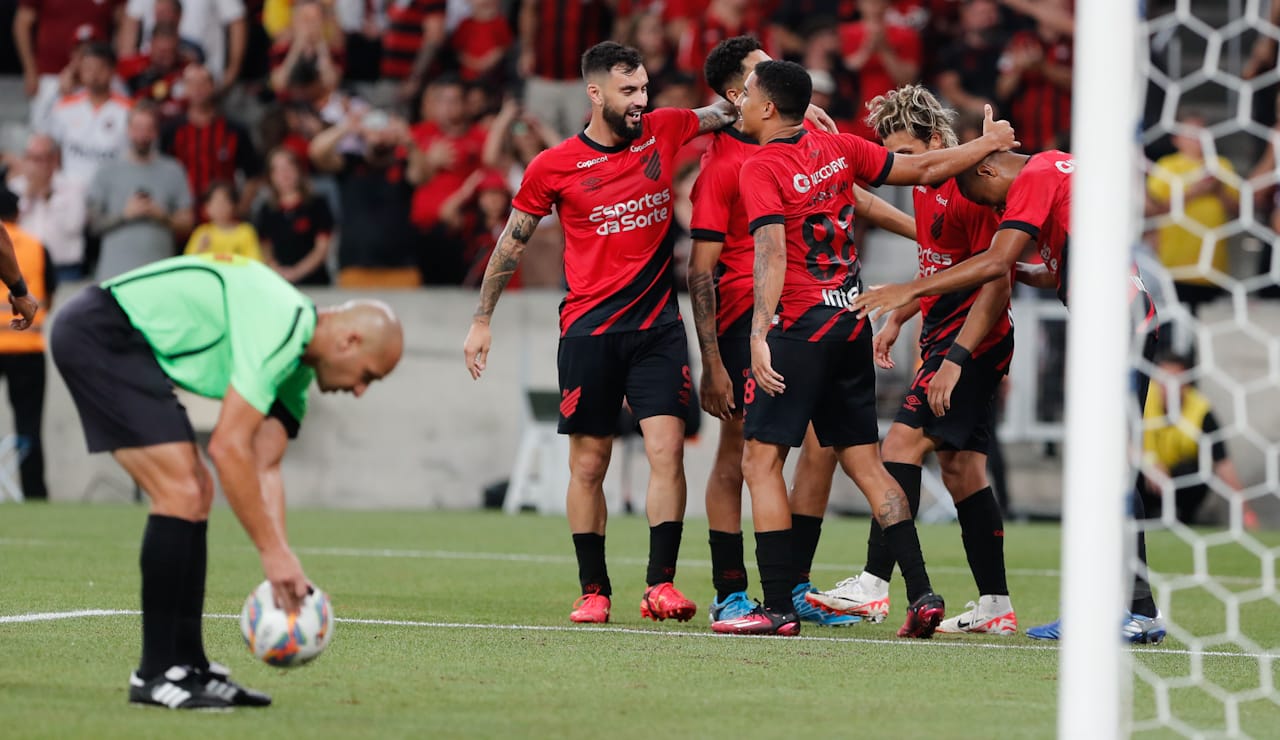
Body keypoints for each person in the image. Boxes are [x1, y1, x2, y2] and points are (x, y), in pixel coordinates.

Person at [462, 42, 822, 625]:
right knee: (589, 463)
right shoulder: (553, 166)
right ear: (595, 93)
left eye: (644, 90)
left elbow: (738, 110)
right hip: (589, 330)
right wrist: (482, 320)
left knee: (667, 450)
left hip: (658, 325)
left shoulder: (665, 129)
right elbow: (513, 240)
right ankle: (593, 589)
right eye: (628, 92)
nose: (640, 102)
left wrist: (802, 112)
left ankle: (661, 584)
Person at [712, 59, 1017, 637]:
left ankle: (777, 606)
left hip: (800, 327)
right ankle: (922, 592)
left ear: (770, 107)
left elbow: (772, 253)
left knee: (761, 460)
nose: (740, 102)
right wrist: (989, 143)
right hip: (850, 321)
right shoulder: (842, 149)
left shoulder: (761, 165)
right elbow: (921, 169)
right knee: (871, 464)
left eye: (746, 94)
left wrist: (757, 333)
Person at [50, 253, 403, 709]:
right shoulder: (281, 324)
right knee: (181, 489)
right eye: (367, 377)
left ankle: (190, 667)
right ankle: (155, 674)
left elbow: (264, 465)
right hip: (100, 332)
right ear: (349, 341)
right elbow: (227, 447)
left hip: (125, 343)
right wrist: (271, 553)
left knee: (196, 489)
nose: (359, 390)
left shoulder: (296, 363)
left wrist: (284, 566)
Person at [851, 147, 1168, 645]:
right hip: (1131, 316)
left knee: (1105, 474)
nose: (998, 210)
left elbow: (997, 259)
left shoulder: (1034, 176)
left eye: (991, 198)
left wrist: (909, 290)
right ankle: (1136, 609)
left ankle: (1121, 611)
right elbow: (1045, 268)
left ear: (989, 169)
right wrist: (1015, 272)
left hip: (1115, 326)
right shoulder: (1060, 166)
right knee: (1109, 471)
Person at [691, 36, 914, 628]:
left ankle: (790, 591)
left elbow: (857, 196)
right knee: (742, 454)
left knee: (819, 453)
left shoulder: (810, 134)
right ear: (742, 93)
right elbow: (703, 269)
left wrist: (923, 237)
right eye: (761, 67)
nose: (774, 70)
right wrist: (713, 359)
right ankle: (733, 588)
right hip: (754, 316)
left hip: (814, 315)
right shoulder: (722, 166)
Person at [806, 85, 1017, 636]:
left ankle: (875, 583)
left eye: (908, 149)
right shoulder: (926, 186)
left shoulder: (971, 186)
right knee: (962, 470)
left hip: (974, 342)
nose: (904, 162)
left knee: (899, 444)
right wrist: (904, 313)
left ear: (936, 139)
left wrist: (956, 360)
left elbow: (996, 278)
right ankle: (995, 604)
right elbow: (942, 265)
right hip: (946, 336)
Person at [1141, 350, 1255, 528]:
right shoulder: (1144, 401)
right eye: (1162, 380)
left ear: (1187, 382)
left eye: (1174, 380)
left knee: (1199, 472)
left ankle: (1183, 519)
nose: (1167, 387)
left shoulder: (1201, 411)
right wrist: (1149, 463)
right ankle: (1142, 516)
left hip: (1179, 481)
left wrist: (1247, 512)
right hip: (1147, 480)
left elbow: (1223, 463)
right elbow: (1122, 440)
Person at [86, 102, 194, 280]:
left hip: (159, 276)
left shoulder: (173, 170)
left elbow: (188, 223)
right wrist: (125, 215)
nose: (143, 135)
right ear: (128, 130)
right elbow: (93, 225)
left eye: (148, 128)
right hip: (115, 277)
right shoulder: (106, 170)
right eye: (137, 128)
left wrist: (162, 216)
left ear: (156, 132)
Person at [1145, 110, 1238, 315]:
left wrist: (1219, 189)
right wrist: (1193, 192)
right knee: (1175, 324)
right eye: (1191, 132)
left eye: (1202, 131)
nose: (1198, 138)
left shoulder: (1221, 165)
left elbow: (1240, 210)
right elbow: (1153, 210)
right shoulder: (1166, 166)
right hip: (1173, 264)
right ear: (1176, 138)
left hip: (1213, 267)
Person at [0, 186, 56, 500]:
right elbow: (48, 294)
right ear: (19, 212)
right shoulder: (36, 247)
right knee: (29, 425)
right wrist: (20, 292)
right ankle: (34, 493)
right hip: (26, 346)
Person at [254, 148, 334, 285]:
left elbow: (322, 248)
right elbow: (264, 247)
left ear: (298, 170)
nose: (284, 174)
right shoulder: (266, 209)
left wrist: (296, 272)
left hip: (315, 282)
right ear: (271, 176)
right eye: (277, 170)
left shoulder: (317, 204)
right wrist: (277, 270)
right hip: (279, 283)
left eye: (288, 167)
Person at [184, 182, 263, 260]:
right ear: (207, 207)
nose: (220, 207)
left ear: (233, 205)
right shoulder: (202, 232)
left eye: (224, 202)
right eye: (215, 202)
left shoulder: (246, 232)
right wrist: (200, 249)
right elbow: (188, 262)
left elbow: (254, 263)